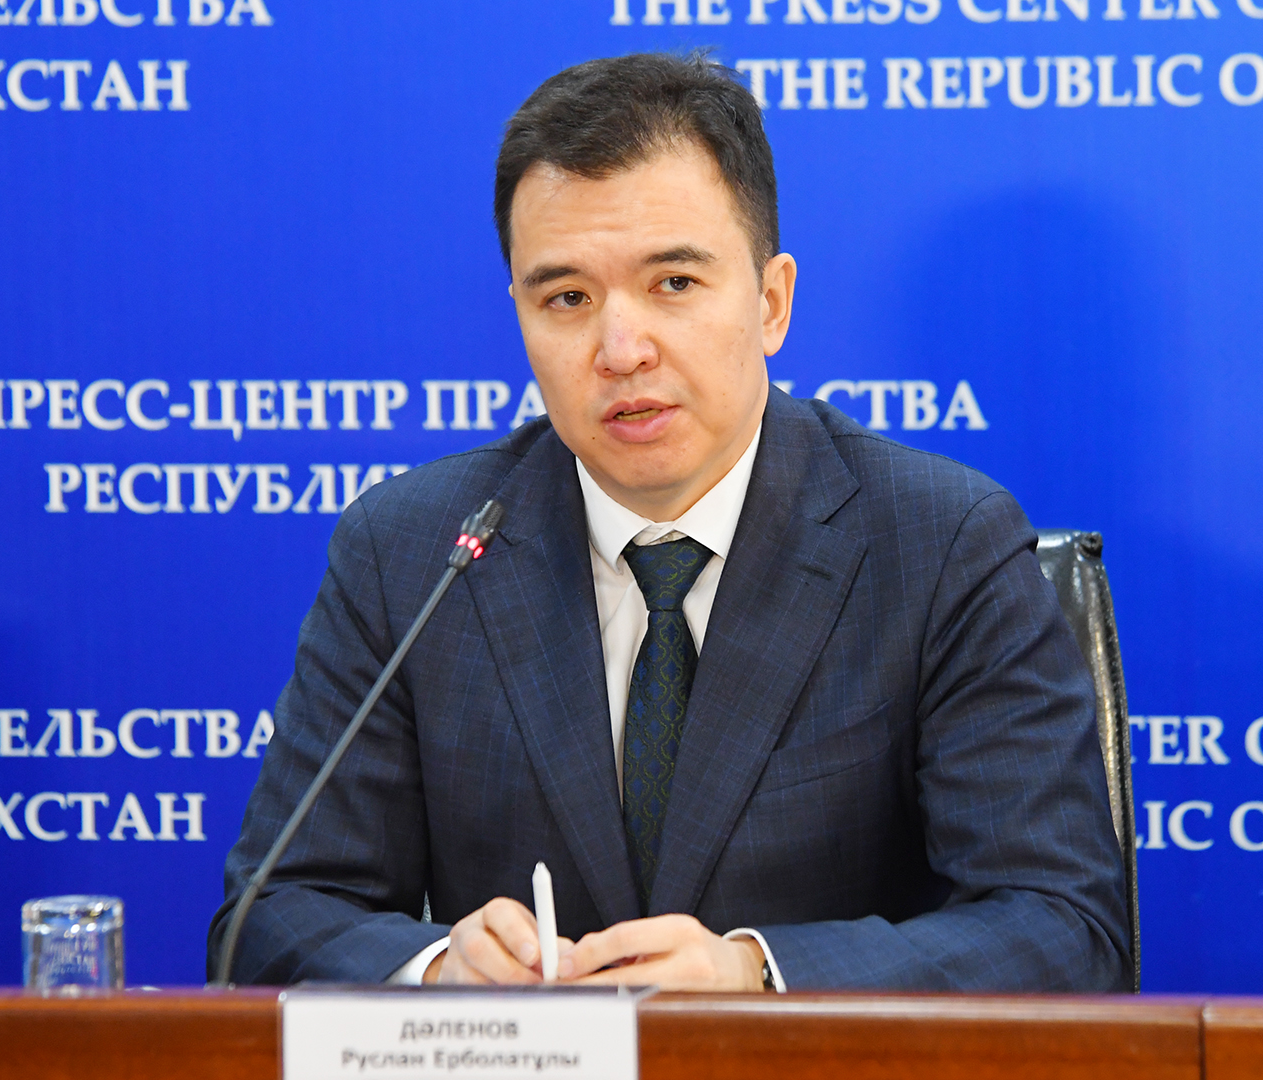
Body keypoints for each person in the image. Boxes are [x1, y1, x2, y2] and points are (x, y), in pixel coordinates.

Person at [209, 51, 1129, 992]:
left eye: (674, 284)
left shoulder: (939, 545)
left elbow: (1062, 929)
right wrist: (442, 971)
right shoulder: (414, 551)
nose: (621, 349)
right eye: (568, 298)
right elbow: (272, 915)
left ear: (770, 303)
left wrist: (757, 977)